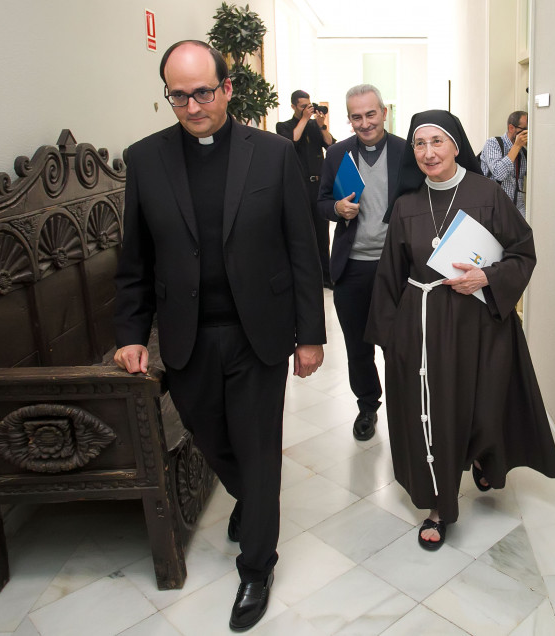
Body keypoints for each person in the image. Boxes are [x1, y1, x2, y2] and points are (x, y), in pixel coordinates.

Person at [113, 40, 326, 632]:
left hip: (259, 332)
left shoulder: (275, 155)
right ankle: (253, 500)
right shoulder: (146, 160)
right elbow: (135, 260)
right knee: (211, 437)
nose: (192, 105)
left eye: (203, 92)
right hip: (186, 337)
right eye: (178, 95)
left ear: (228, 88)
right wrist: (130, 332)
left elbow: (302, 249)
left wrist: (311, 334)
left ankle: (256, 565)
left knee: (258, 451)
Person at [365, 109, 555, 551]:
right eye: (419, 144)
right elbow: (390, 275)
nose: (428, 152)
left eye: (437, 142)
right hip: (425, 322)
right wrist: (391, 340)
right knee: (434, 412)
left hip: (480, 322)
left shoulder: (487, 193)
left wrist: (487, 278)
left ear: (456, 145)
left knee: (483, 403)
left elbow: (522, 252)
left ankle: (486, 458)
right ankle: (439, 506)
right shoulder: (406, 205)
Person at [317, 84, 407, 441]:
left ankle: (405, 407)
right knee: (358, 345)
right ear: (349, 119)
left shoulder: (405, 151)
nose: (365, 123)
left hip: (396, 268)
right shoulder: (337, 154)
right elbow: (321, 201)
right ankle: (367, 405)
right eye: (357, 116)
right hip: (352, 267)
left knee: (398, 344)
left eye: (371, 114)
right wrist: (336, 209)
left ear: (384, 112)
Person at [276, 90, 336, 288]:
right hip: (298, 187)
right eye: (303, 106)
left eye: (308, 105)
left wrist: (321, 125)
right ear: (293, 106)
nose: (307, 109)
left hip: (318, 186)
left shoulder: (313, 126)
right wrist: (304, 119)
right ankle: (306, 276)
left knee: (322, 234)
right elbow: (291, 142)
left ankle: (326, 277)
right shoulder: (284, 126)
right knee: (302, 233)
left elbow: (330, 145)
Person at [479, 110, 528, 218]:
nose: (527, 134)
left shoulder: (523, 153)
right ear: (511, 128)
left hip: (517, 208)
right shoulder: (493, 143)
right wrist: (516, 146)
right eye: (524, 130)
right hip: (493, 208)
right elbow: (499, 174)